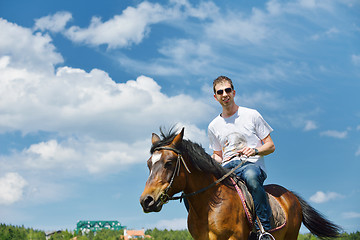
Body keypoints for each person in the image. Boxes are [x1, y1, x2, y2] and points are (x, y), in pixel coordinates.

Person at [208, 76, 275, 238]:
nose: (225, 94)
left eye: (227, 90)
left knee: (251, 177)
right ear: (215, 97)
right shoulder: (213, 126)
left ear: (234, 92)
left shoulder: (251, 115)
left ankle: (265, 231)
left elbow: (270, 146)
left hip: (251, 165)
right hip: (227, 168)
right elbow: (218, 155)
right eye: (220, 92)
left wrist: (255, 151)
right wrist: (208, 164)